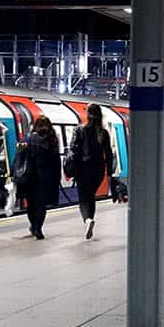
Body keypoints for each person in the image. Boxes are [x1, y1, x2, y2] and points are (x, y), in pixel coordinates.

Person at [63, 103, 115, 241]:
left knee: (83, 198)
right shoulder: (103, 133)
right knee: (91, 196)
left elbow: (73, 150)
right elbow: (109, 154)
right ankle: (90, 218)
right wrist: (109, 172)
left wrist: (69, 166)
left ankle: (87, 220)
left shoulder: (79, 130)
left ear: (88, 114)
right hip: (98, 170)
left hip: (83, 168)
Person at [15, 116, 62, 240]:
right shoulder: (52, 141)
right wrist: (58, 176)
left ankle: (33, 224)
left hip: (29, 176)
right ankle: (38, 227)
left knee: (31, 203)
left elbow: (18, 158)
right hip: (45, 177)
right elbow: (56, 161)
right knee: (41, 204)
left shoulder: (28, 138)